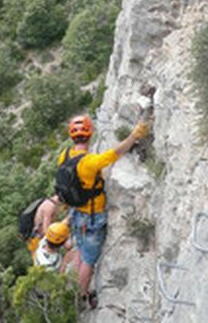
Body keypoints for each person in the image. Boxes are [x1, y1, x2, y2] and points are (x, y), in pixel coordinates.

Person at [58, 114, 149, 309]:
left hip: (76, 214)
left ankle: (74, 287)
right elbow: (115, 152)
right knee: (89, 261)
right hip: (92, 217)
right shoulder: (90, 162)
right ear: (90, 134)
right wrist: (134, 136)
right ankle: (82, 296)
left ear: (72, 137)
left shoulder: (64, 155)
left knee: (80, 252)